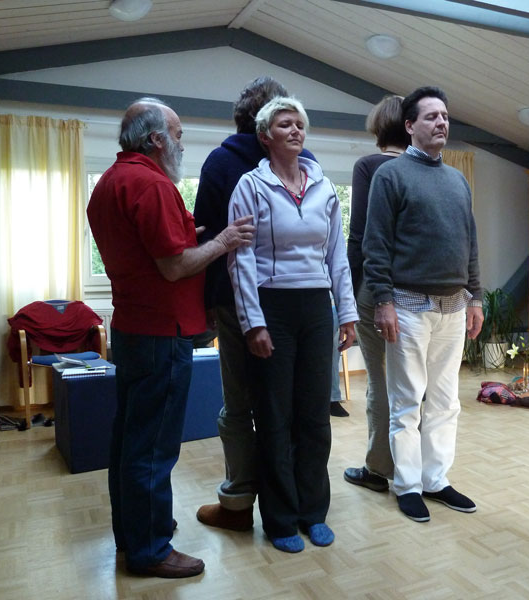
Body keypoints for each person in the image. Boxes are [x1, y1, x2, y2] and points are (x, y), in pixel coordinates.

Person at [87, 97, 254, 578]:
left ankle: (134, 533)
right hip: (161, 333)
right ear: (156, 139)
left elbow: (149, 250)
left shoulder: (112, 180)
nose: (182, 144)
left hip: (133, 328)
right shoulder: (153, 185)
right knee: (155, 447)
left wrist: (185, 234)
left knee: (130, 441)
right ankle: (151, 550)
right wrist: (221, 241)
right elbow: (175, 267)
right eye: (177, 135)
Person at [228, 97, 357, 552]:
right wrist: (253, 323)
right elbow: (240, 259)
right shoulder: (250, 185)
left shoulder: (323, 187)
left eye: (300, 123)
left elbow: (337, 256)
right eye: (285, 124)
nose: (295, 130)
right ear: (266, 136)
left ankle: (313, 512)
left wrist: (347, 312)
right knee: (274, 416)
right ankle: (281, 519)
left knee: (314, 415)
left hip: (317, 307)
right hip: (272, 308)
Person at [192, 77, 317, 531]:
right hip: (298, 302)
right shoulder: (307, 162)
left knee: (241, 404)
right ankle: (293, 500)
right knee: (291, 405)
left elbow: (205, 236)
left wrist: (209, 303)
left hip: (235, 302)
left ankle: (239, 503)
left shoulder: (221, 162)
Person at [362, 86, 484, 523]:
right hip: (407, 306)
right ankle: (408, 485)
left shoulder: (457, 180)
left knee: (446, 401)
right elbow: (375, 246)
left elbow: (470, 245)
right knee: (407, 402)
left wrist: (476, 297)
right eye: (431, 116)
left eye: (445, 116)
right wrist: (383, 301)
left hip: (454, 307)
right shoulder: (390, 176)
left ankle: (435, 479)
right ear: (410, 125)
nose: (442, 123)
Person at [342, 95, 409, 491]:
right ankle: (411, 465)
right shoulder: (423, 167)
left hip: (375, 289)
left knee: (379, 381)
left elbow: (360, 236)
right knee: (412, 382)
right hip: (414, 292)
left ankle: (379, 468)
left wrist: (349, 294)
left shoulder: (369, 166)